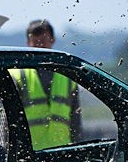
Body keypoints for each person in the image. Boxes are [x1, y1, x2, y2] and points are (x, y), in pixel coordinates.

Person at [10, 20, 82, 149]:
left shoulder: (67, 76)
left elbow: (75, 120)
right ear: (28, 43)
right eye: (35, 40)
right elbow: (9, 120)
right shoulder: (18, 75)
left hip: (62, 151)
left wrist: (79, 148)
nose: (40, 44)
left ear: (52, 39)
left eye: (43, 39)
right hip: (30, 153)